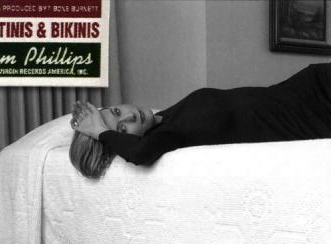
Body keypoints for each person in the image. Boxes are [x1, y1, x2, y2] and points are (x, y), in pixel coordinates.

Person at [69, 63, 331, 178]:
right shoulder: (167, 135)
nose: (129, 115)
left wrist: (101, 126)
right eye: (123, 128)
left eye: (117, 111)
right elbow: (140, 153)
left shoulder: (163, 117)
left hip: (311, 87)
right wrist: (100, 133)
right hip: (316, 116)